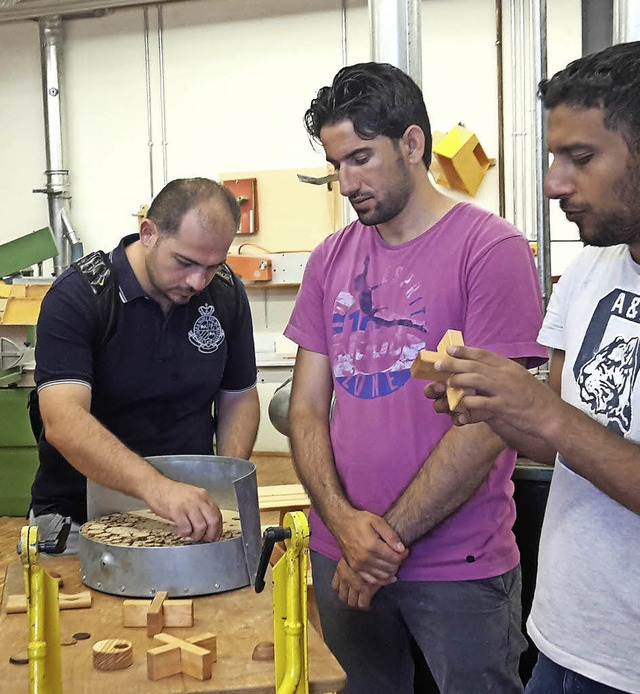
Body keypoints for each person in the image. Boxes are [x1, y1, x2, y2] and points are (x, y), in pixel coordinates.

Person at [284, 62, 548, 694]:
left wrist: (382, 545)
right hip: (341, 549)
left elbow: (489, 427)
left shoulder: (491, 250)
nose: (346, 182)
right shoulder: (330, 258)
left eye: (361, 158)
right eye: (336, 164)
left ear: (412, 143)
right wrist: (345, 527)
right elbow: (305, 409)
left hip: (457, 565)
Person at [426, 42, 640, 694]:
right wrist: (496, 404)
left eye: (580, 158)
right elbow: (563, 436)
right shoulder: (591, 269)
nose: (552, 183)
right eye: (554, 157)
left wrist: (544, 412)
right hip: (565, 638)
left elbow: (560, 422)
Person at [30, 177, 260, 551]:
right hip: (78, 521)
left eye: (213, 265)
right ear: (148, 232)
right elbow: (63, 421)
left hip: (187, 519)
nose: (198, 281)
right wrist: (158, 489)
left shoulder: (225, 293)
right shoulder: (79, 296)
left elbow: (238, 398)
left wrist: (222, 487)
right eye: (185, 262)